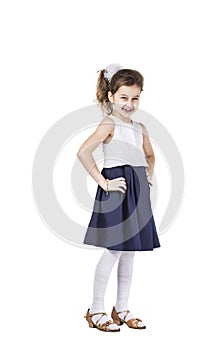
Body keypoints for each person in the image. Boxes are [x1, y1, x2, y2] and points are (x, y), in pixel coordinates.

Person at [77, 63, 160, 332]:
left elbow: (149, 155)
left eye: (135, 98)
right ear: (112, 96)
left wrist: (147, 175)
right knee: (114, 250)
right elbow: (83, 152)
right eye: (124, 97)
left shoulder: (140, 126)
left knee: (129, 253)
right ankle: (96, 309)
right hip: (118, 190)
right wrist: (103, 181)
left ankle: (121, 308)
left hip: (136, 190)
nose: (129, 103)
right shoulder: (108, 122)